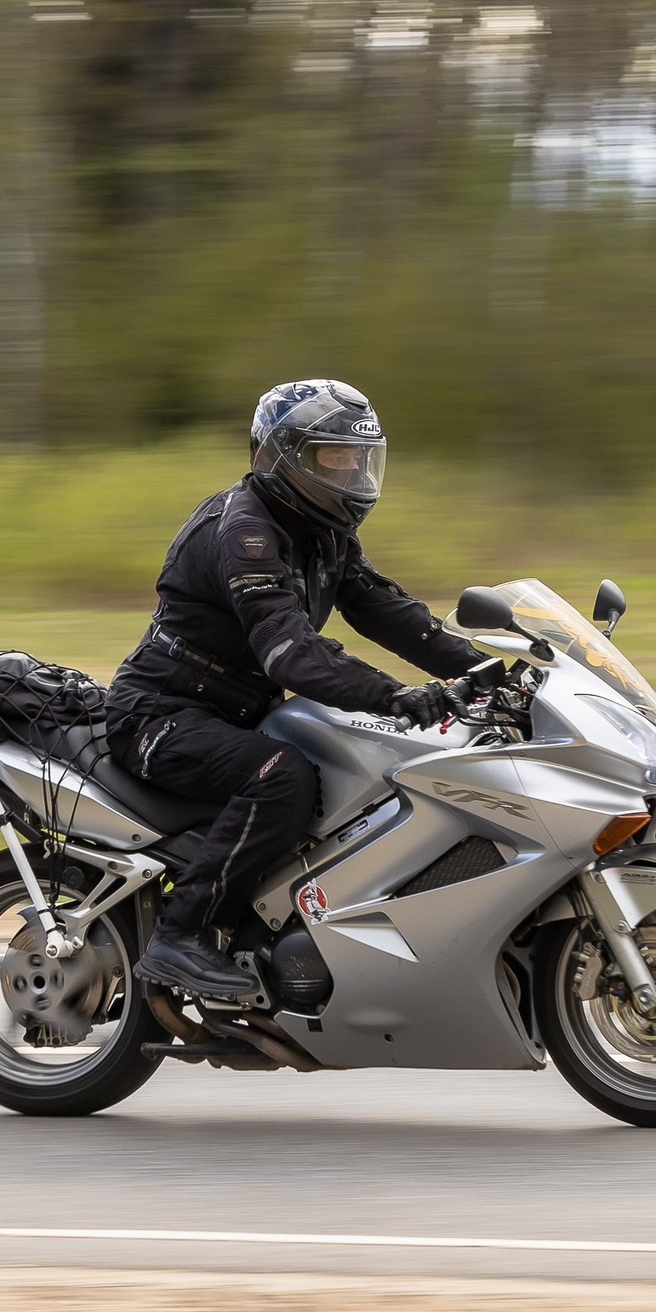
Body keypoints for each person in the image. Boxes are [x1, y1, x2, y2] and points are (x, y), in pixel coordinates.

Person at [106, 379, 485, 1001]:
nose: (351, 472)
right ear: (280, 457)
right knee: (281, 774)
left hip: (234, 714)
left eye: (358, 458)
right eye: (331, 458)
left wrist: (481, 669)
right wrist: (397, 696)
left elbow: (383, 607)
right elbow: (290, 653)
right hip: (159, 715)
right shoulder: (244, 531)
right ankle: (182, 935)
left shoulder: (321, 529)